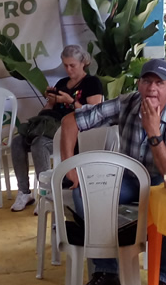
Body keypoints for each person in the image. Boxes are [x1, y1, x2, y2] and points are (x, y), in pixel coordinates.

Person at [60, 58, 166, 285]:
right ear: (139, 84)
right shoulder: (128, 102)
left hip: (163, 183)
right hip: (129, 178)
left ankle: (160, 280)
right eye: (147, 81)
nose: (152, 88)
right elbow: (70, 122)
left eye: (159, 83)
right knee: (85, 193)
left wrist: (154, 133)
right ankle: (106, 272)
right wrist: (69, 166)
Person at [9, 45, 104, 211]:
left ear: (83, 63)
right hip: (52, 127)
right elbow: (45, 112)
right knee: (17, 142)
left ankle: (47, 194)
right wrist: (51, 102)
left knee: (39, 144)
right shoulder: (62, 83)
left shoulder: (92, 83)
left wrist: (70, 101)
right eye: (65, 65)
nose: (68, 69)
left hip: (74, 133)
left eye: (72, 65)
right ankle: (24, 192)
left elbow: (95, 113)